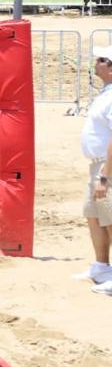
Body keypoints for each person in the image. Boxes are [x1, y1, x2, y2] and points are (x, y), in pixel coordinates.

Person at [79, 47, 112, 295]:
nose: (95, 63)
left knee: (109, 217)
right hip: (96, 163)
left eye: (101, 60)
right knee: (94, 214)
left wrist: (105, 176)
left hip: (106, 165)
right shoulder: (105, 93)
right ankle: (101, 266)